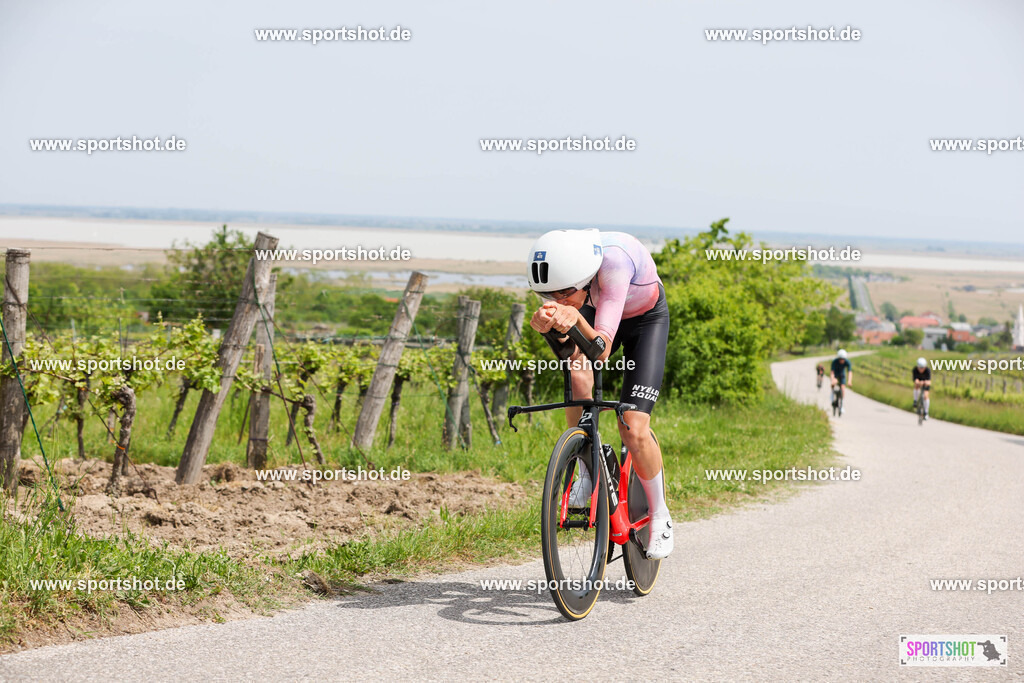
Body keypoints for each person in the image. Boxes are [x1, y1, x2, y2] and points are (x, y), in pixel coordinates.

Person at [526, 228, 673, 560]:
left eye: (561, 295)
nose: (555, 303)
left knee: (633, 426)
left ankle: (660, 514)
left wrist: (573, 316)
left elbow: (601, 349)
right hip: (596, 306)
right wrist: (551, 329)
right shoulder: (572, 274)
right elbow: (571, 353)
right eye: (546, 297)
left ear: (582, 280)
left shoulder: (614, 265)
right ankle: (585, 468)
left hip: (644, 321)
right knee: (577, 373)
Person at [830, 349, 852, 415]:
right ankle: (832, 394)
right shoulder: (834, 361)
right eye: (840, 359)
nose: (841, 360)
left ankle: (842, 405)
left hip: (842, 374)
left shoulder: (847, 362)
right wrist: (832, 379)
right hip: (836, 374)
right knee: (833, 383)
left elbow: (850, 372)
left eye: (843, 359)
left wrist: (849, 381)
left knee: (842, 388)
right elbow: (832, 372)